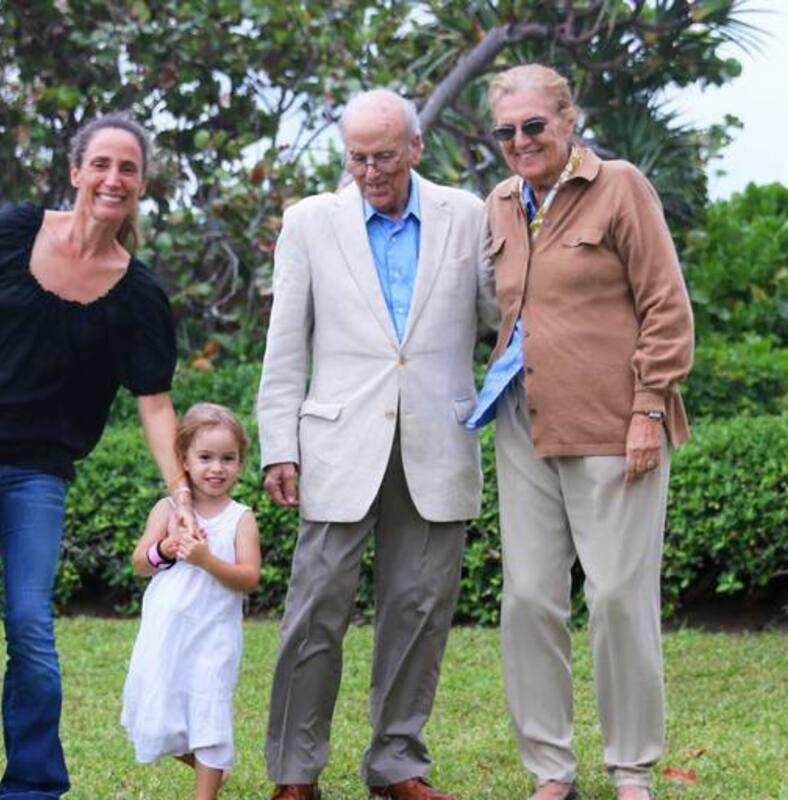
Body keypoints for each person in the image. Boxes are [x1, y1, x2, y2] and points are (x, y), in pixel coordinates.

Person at [0, 113, 194, 800]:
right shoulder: (12, 232)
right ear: (76, 172)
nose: (112, 178)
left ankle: (32, 787)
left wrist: (181, 495)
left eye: (127, 168)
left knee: (31, 625)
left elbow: (155, 403)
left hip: (38, 469)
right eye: (101, 164)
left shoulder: (139, 295)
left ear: (141, 184)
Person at [256, 88, 493, 800]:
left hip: (438, 441)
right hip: (335, 444)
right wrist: (278, 446)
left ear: (415, 148)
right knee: (313, 612)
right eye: (357, 157)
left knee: (419, 612)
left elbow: (498, 316)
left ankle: (396, 763)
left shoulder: (469, 214)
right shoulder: (308, 222)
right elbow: (284, 346)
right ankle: (296, 772)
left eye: (384, 155)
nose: (370, 170)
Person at [468, 64, 695, 800]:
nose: (520, 141)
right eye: (505, 131)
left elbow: (666, 305)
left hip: (615, 423)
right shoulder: (500, 203)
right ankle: (549, 769)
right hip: (523, 422)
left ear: (569, 120)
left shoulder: (621, 184)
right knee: (529, 598)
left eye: (534, 125)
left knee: (619, 597)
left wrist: (649, 409)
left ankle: (631, 768)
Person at [121, 403, 262, 800]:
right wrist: (164, 549)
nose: (216, 468)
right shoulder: (167, 509)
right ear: (183, 459)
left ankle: (207, 789)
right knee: (154, 712)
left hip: (214, 633)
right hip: (167, 632)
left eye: (227, 459)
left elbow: (249, 579)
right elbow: (139, 564)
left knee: (209, 710)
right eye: (205, 458)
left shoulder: (240, 518)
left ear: (240, 463)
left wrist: (207, 560)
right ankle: (211, 768)